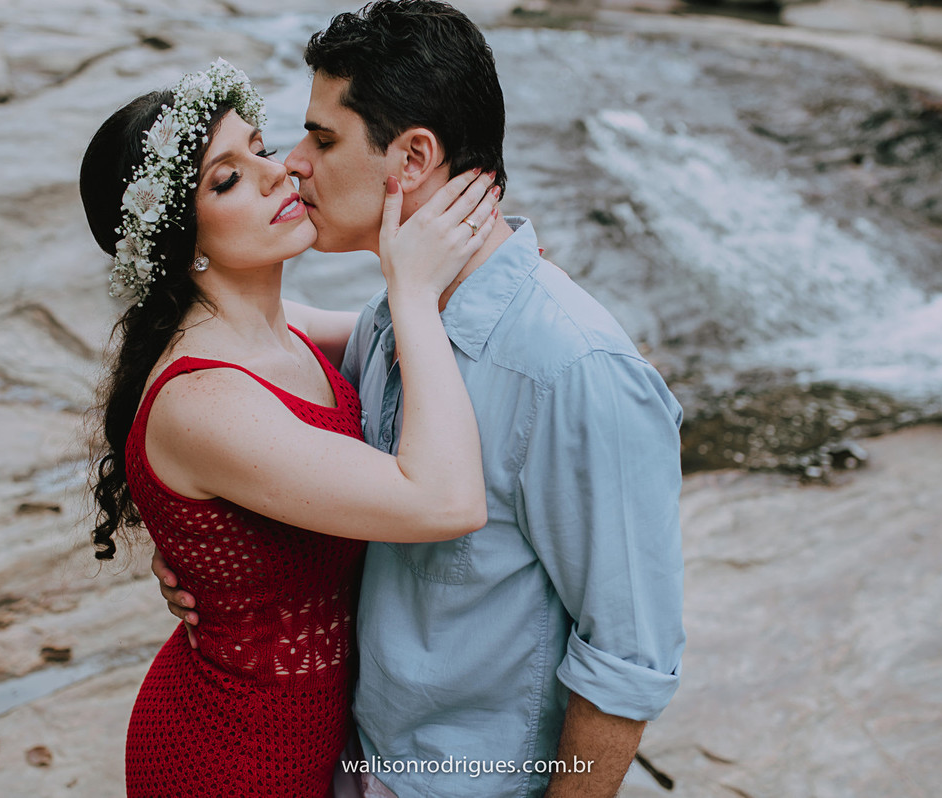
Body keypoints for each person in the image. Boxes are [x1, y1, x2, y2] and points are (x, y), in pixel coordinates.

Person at [156, 2, 687, 796]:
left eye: (323, 139)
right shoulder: (390, 321)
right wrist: (209, 551)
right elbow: (251, 346)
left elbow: (629, 661)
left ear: (411, 158)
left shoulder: (574, 370)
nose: (295, 164)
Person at [79, 57, 501, 797]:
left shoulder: (283, 330)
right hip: (232, 760)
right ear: (183, 243)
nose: (280, 175)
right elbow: (447, 502)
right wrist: (409, 285)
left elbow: (457, 335)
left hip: (319, 739)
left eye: (261, 148)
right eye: (227, 179)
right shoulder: (204, 401)